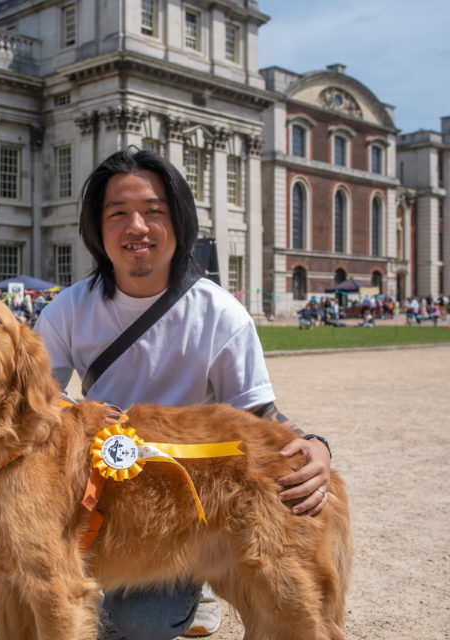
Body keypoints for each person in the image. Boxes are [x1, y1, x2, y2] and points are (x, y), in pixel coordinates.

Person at [34, 147, 331, 640]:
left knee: (135, 624)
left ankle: (202, 573)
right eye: (118, 214)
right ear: (97, 229)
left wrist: (315, 442)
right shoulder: (67, 310)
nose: (137, 228)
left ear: (179, 222)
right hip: (103, 492)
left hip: (183, 502)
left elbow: (260, 413)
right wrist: (79, 409)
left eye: (155, 212)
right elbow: (35, 397)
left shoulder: (220, 314)